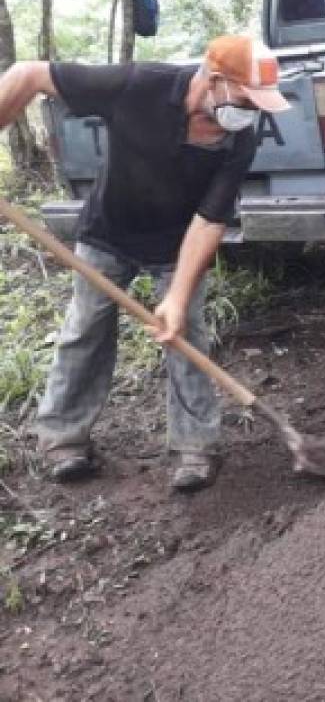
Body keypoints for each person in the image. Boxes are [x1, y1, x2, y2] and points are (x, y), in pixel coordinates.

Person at [0, 35, 289, 491]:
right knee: (85, 328)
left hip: (179, 244)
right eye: (246, 100)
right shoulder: (137, 85)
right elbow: (29, 75)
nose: (251, 113)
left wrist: (175, 297)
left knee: (186, 331)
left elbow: (210, 220)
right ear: (213, 81)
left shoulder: (239, 139)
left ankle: (195, 447)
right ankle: (64, 439)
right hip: (110, 230)